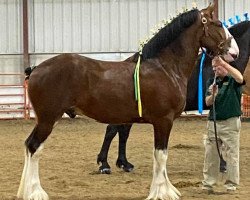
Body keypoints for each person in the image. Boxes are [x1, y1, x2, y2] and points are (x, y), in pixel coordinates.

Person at [202, 56, 245, 192]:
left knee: (232, 154)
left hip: (230, 122)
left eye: (217, 67)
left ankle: (231, 183)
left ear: (225, 66)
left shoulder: (233, 80)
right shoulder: (212, 82)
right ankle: (209, 183)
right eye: (213, 67)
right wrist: (213, 94)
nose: (214, 70)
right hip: (213, 122)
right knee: (211, 155)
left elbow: (240, 78)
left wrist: (225, 64)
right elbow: (207, 102)